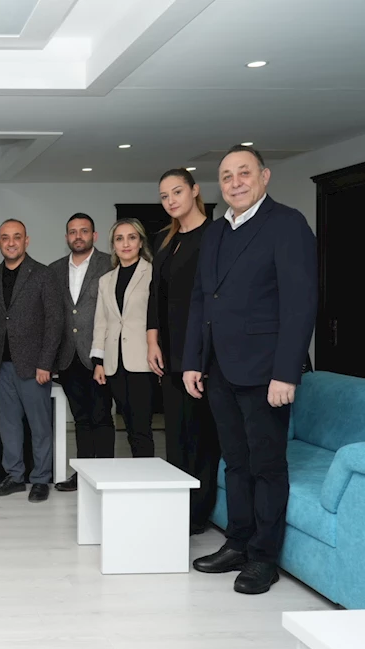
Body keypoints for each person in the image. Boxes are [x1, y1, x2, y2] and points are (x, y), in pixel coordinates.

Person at [183, 146, 317, 595]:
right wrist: (193, 361)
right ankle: (238, 542)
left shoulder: (287, 224)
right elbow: (202, 299)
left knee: (266, 466)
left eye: (244, 173)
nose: (235, 182)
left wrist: (287, 372)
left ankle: (264, 558)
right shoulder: (216, 231)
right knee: (235, 462)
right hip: (219, 368)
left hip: (265, 371)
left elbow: (300, 303)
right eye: (226, 176)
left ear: (264, 176)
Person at [147, 170, 221, 534]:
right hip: (170, 351)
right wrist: (152, 341)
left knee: (201, 435)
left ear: (195, 191)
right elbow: (155, 296)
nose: (171, 200)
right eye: (164, 196)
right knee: (175, 435)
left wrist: (203, 354)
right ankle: (177, 507)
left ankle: (198, 515)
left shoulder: (216, 235)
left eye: (177, 192)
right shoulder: (164, 239)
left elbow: (214, 299)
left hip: (202, 351)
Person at [0, 219, 63, 502]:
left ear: (26, 240)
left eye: (17, 237)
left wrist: (46, 363)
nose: (11, 242)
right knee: (8, 425)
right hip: (1, 366)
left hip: (34, 366)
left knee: (39, 426)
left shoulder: (43, 274)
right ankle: (14, 476)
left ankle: (40, 479)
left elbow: (54, 322)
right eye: (5, 237)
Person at [50, 213, 115, 492]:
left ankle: (106, 474)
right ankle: (84, 475)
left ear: (94, 235)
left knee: (101, 415)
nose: (78, 236)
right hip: (67, 356)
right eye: (73, 232)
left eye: (84, 231)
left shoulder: (109, 264)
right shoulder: (54, 269)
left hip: (99, 355)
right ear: (66, 237)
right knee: (81, 418)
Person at [90, 218, 155, 459]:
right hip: (113, 364)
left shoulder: (153, 273)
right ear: (113, 245)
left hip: (142, 360)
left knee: (141, 428)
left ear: (141, 242)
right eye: (119, 239)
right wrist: (98, 361)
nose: (125, 244)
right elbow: (101, 322)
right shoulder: (106, 280)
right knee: (126, 424)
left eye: (131, 237)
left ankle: (146, 475)